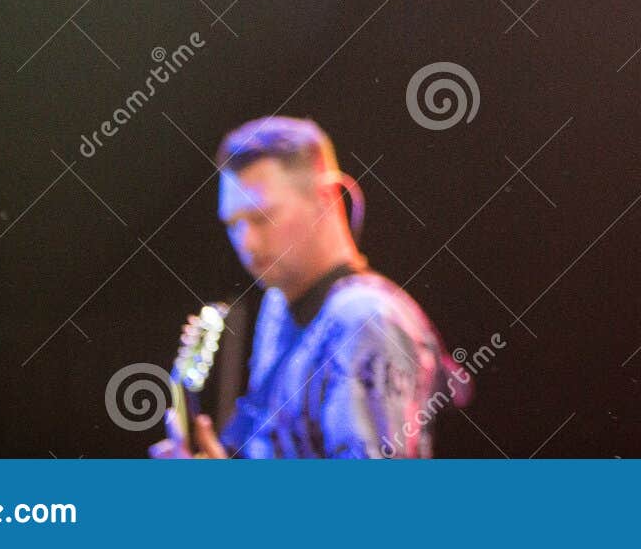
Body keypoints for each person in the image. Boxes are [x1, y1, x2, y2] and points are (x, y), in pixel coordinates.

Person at [149, 116, 461, 458]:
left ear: (326, 198)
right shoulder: (277, 307)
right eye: (233, 225)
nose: (246, 242)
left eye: (261, 217)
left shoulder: (365, 319)